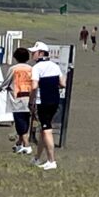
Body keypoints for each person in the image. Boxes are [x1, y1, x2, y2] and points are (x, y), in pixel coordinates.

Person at [0, 46, 34, 155]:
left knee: (19, 123)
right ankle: (19, 144)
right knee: (25, 122)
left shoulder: (13, 69)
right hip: (29, 98)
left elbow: (5, 83)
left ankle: (27, 145)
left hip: (17, 99)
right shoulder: (31, 69)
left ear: (15, 57)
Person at [29, 42, 66, 170]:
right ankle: (37, 157)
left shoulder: (37, 68)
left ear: (40, 53)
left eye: (34, 52)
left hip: (43, 101)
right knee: (44, 129)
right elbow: (62, 83)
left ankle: (51, 160)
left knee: (46, 129)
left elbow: (34, 86)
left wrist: (31, 101)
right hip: (55, 100)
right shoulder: (54, 66)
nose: (32, 54)